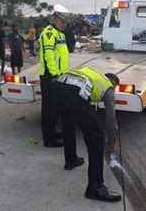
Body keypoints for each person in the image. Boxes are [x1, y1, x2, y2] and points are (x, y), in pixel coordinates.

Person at [52, 67, 121, 202]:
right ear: (113, 83)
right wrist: (111, 143)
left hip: (57, 87)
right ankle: (95, 187)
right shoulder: (108, 86)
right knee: (96, 136)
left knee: (69, 122)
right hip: (74, 93)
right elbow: (110, 119)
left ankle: (71, 160)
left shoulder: (91, 74)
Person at [38, 4, 71, 148]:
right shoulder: (49, 33)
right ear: (55, 18)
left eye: (66, 22)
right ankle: (49, 140)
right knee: (49, 109)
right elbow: (48, 56)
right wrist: (54, 75)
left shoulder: (60, 34)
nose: (64, 25)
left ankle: (53, 133)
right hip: (50, 76)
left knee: (56, 108)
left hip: (59, 76)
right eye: (62, 21)